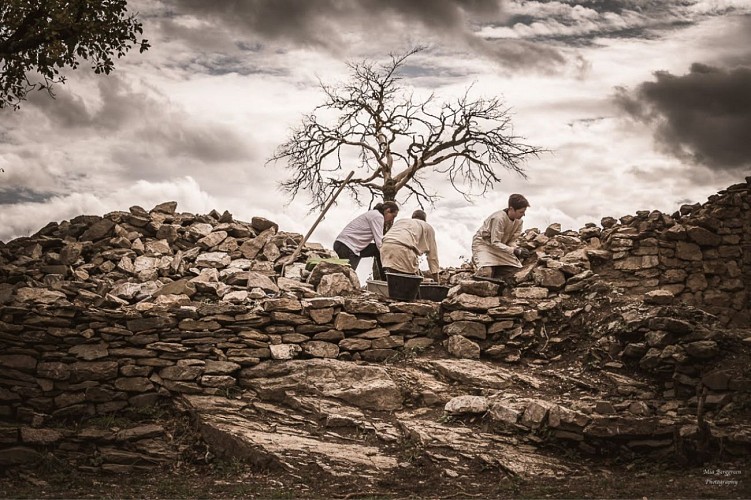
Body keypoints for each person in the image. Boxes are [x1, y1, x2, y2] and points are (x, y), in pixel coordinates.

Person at [472, 194, 531, 281]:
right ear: (511, 209)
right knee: (486, 273)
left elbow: (512, 241)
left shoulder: (519, 222)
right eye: (521, 212)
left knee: (516, 271)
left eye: (524, 211)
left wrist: (518, 249)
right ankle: (481, 266)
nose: (523, 214)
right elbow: (495, 242)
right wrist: (514, 251)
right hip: (484, 245)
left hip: (501, 248)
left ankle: (495, 271)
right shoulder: (499, 218)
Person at [334, 201, 399, 271]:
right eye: (393, 216)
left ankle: (385, 279)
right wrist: (389, 257)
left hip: (347, 244)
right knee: (348, 275)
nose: (392, 220)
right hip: (347, 246)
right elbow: (379, 242)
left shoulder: (374, 214)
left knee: (376, 250)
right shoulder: (378, 216)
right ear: (388, 210)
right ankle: (386, 278)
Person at [380, 209, 441, 282]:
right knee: (411, 283)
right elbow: (432, 257)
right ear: (424, 220)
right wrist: (437, 280)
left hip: (385, 247)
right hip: (402, 249)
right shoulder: (427, 227)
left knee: (395, 279)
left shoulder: (401, 221)